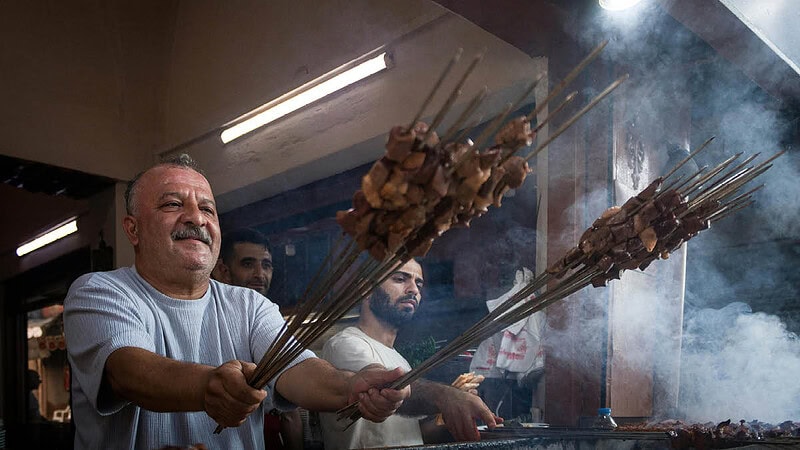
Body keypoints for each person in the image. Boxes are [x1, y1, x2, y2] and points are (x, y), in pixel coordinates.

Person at [63, 154, 410, 450]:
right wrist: (209, 385)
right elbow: (128, 372)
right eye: (172, 204)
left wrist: (350, 385)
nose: (196, 218)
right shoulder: (100, 291)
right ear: (133, 229)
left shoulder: (249, 305)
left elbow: (296, 368)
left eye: (207, 208)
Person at [319, 259, 500, 449]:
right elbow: (387, 389)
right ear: (366, 289)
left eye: (418, 284)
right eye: (400, 279)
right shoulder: (345, 344)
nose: (414, 290)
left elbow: (416, 434)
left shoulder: (400, 360)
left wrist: (450, 416)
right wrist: (447, 396)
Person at [213, 228, 304, 450]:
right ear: (223, 270)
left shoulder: (269, 316)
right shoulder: (211, 319)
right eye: (248, 264)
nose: (259, 274)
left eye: (266, 265)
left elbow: (289, 415)